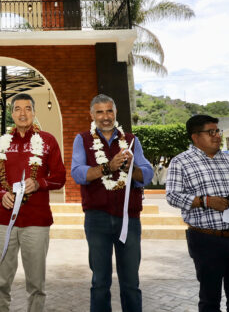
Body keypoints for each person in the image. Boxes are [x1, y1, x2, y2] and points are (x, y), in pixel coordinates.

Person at [166, 114, 229, 312]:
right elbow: (173, 196)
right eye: (211, 132)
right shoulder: (180, 162)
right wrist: (205, 201)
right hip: (205, 240)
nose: (217, 136)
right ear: (195, 137)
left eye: (218, 131)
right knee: (210, 302)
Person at [71, 94, 154, 312]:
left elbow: (147, 174)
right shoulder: (82, 139)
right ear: (91, 114)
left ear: (115, 113)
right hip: (97, 219)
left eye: (109, 111)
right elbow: (78, 174)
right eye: (100, 112)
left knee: (131, 283)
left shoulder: (131, 139)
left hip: (129, 219)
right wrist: (108, 167)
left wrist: (130, 168)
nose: (105, 116)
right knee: (100, 282)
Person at [0, 93, 66, 312]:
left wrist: (39, 183)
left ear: (34, 112)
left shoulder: (47, 141)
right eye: (18, 109)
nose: (23, 113)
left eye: (28, 108)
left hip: (36, 222)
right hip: (5, 220)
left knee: (36, 284)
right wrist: (2, 194)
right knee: (0, 281)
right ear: (11, 114)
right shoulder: (2, 142)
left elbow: (60, 177)